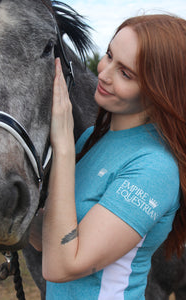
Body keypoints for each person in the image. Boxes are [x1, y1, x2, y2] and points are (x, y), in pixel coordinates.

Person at [30, 13, 186, 300]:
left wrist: (63, 144)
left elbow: (61, 266)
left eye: (125, 73)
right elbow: (48, 241)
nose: (103, 73)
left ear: (159, 91)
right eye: (109, 55)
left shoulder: (155, 167)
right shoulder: (92, 140)